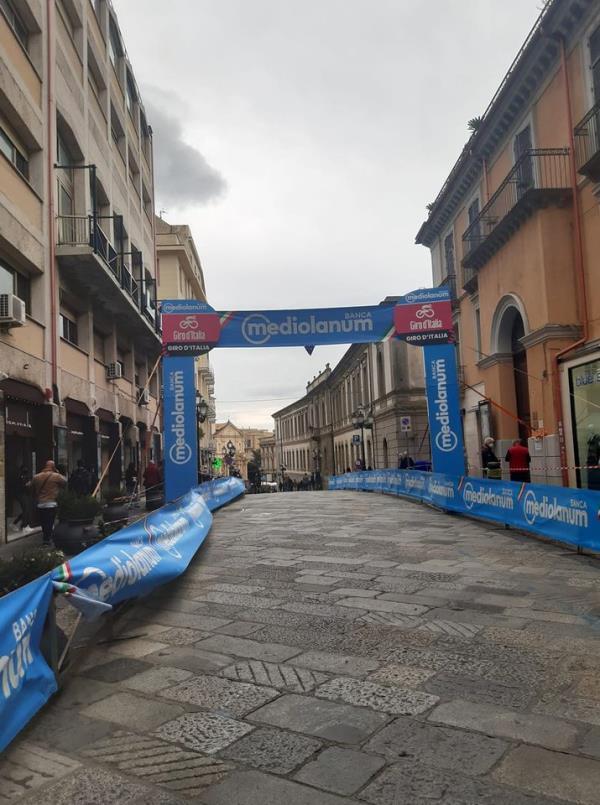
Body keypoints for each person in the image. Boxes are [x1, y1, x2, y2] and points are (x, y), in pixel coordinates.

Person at [29, 461, 66, 544]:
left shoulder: (36, 477)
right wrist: (57, 472)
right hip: (51, 503)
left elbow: (31, 487)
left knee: (43, 521)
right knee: (50, 521)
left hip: (40, 503)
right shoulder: (56, 476)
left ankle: (46, 537)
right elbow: (65, 481)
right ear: (53, 467)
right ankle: (47, 538)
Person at [13, 466, 32, 530]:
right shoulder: (20, 477)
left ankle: (17, 523)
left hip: (24, 494)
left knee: (26, 510)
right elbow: (20, 487)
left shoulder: (25, 476)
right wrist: (26, 485)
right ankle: (24, 526)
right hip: (21, 494)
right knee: (26, 510)